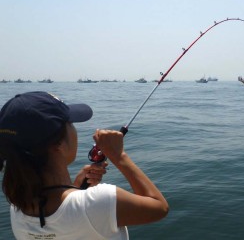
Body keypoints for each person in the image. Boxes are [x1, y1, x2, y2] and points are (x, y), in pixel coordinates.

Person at [0, 91, 169, 239]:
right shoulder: (98, 202)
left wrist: (75, 189)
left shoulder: (17, 208)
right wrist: (119, 156)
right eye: (70, 123)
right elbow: (159, 207)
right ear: (57, 144)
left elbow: (65, 217)